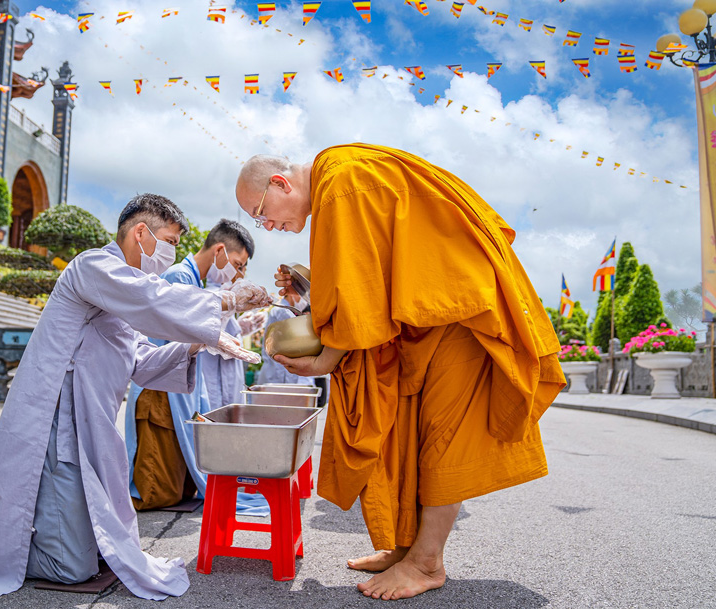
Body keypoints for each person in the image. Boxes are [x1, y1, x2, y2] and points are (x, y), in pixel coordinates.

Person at [234, 144, 565, 601]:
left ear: (280, 184)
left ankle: (427, 563)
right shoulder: (342, 177)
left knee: (440, 438)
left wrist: (324, 361)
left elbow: (359, 292)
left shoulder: (341, 183)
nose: (266, 224)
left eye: (260, 212)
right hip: (430, 317)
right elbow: (372, 272)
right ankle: (409, 550)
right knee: (408, 434)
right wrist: (312, 288)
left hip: (457, 314)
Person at [0, 194, 268, 601]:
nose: (171, 253)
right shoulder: (94, 266)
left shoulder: (123, 293)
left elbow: (143, 361)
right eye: (169, 240)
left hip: (92, 425)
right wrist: (227, 300)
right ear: (141, 232)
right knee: (73, 566)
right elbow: (153, 299)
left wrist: (197, 346)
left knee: (104, 546)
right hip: (58, 422)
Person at [125, 219, 266, 515]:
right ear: (219, 251)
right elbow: (188, 321)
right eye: (238, 264)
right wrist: (232, 301)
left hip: (179, 382)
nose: (238, 273)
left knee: (179, 483)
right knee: (157, 490)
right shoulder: (179, 275)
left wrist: (236, 315)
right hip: (160, 386)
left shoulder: (195, 280)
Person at [256, 291, 317, 387]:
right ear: (291, 293)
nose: (304, 301)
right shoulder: (281, 311)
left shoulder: (287, 312)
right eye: (301, 295)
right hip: (277, 376)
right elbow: (299, 333)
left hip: (281, 375)